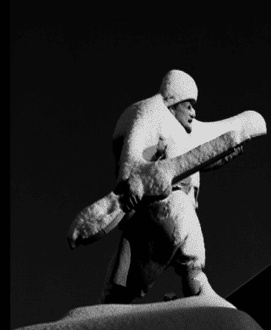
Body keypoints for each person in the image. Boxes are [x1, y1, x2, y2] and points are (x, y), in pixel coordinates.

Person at [101, 69, 240, 304]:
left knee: (181, 243)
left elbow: (202, 157)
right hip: (158, 206)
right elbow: (132, 154)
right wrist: (131, 180)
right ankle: (192, 284)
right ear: (174, 102)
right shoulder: (153, 115)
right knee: (175, 226)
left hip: (177, 207)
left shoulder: (185, 136)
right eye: (188, 105)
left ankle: (196, 285)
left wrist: (229, 151)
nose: (193, 113)